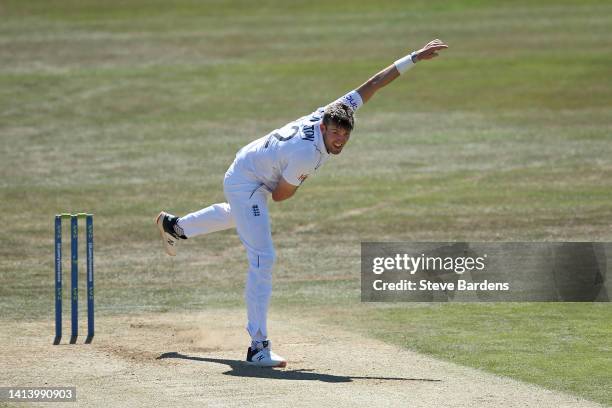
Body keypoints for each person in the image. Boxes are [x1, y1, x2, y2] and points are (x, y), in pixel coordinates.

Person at [156, 39, 448, 368]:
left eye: (345, 136)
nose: (339, 141)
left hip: (252, 163)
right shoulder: (305, 156)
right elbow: (281, 196)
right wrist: (299, 181)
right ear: (323, 127)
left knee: (247, 217)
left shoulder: (336, 109)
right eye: (334, 135)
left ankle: (176, 227)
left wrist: (414, 57)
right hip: (247, 180)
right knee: (263, 256)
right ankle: (257, 347)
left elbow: (374, 83)